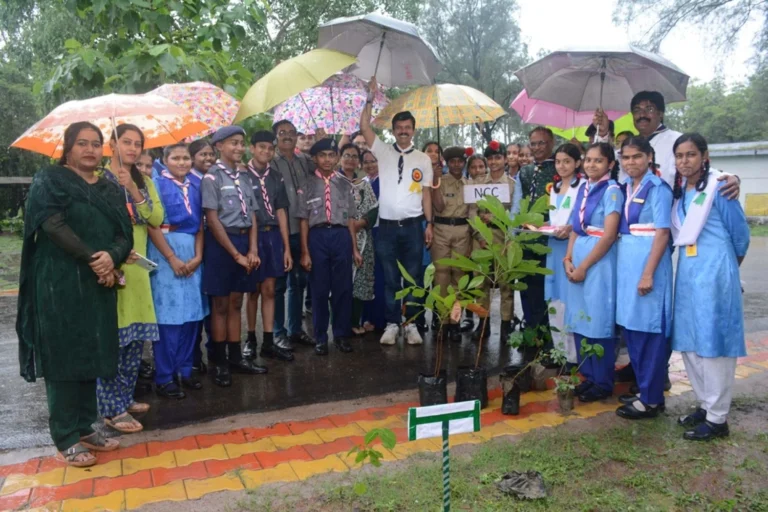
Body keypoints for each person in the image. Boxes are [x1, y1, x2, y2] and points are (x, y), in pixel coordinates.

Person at [17, 121, 132, 467]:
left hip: (99, 283)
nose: (90, 149)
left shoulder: (111, 189)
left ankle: (86, 426)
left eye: (96, 144)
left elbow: (124, 233)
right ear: (67, 148)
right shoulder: (49, 180)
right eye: (81, 143)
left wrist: (112, 256)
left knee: (91, 350)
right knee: (63, 355)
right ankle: (65, 435)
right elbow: (52, 224)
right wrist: (94, 259)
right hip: (59, 283)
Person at [671, 133, 750, 441]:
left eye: (690, 155)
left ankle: (718, 418)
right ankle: (705, 405)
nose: (684, 161)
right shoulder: (681, 193)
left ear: (705, 156)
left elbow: (740, 237)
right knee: (691, 341)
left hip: (716, 274)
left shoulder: (721, 188)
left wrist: (725, 271)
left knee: (714, 343)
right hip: (689, 276)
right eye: (679, 155)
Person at [97, 124, 163, 434]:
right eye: (126, 142)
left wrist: (134, 189)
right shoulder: (96, 181)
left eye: (138, 144)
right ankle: (111, 409)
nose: (133, 149)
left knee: (135, 340)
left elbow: (156, 218)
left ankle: (124, 397)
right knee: (114, 339)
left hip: (139, 268)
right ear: (112, 144)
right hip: (113, 266)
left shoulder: (145, 180)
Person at [359, 77, 434, 346]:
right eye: (399, 128)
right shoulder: (382, 151)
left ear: (413, 130)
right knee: (391, 278)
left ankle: (411, 324)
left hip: (414, 227)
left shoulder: (423, 159)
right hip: (387, 227)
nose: (403, 131)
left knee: (413, 277)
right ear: (393, 130)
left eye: (407, 128)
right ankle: (392, 324)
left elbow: (426, 193)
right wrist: (369, 98)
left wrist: (429, 224)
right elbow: (364, 126)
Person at [611, 136, 673, 420]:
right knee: (633, 330)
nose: (631, 162)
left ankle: (651, 399)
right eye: (626, 157)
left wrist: (648, 273)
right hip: (628, 264)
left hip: (648, 265)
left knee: (650, 333)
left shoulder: (658, 188)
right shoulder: (625, 186)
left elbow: (662, 232)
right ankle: (645, 390)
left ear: (649, 157)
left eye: (637, 156)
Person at [202, 126, 267, 387]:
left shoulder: (245, 177)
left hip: (243, 239)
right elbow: (212, 218)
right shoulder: (211, 177)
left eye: (241, 143)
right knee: (220, 305)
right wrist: (235, 254)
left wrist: (252, 250)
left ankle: (235, 357)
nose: (239, 148)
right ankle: (218, 362)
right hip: (222, 244)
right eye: (233, 143)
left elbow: (252, 214)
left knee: (236, 303)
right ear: (219, 146)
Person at [593, 92, 740, 198]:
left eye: (649, 109)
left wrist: (730, 176)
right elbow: (604, 161)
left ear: (661, 113)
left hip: (668, 216)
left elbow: (697, 168)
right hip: (629, 216)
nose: (642, 114)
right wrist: (603, 132)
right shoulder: (630, 146)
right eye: (637, 110)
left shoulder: (678, 141)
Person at [564, 143, 623, 402]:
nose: (591, 165)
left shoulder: (612, 192)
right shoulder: (585, 188)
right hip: (578, 256)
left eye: (598, 161)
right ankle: (587, 375)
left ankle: (602, 381)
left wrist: (584, 266)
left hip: (598, 261)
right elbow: (576, 227)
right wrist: (567, 257)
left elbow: (609, 235)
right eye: (588, 160)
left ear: (610, 164)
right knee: (580, 318)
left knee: (598, 319)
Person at [147, 144, 207, 399]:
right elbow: (152, 225)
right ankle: (164, 376)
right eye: (176, 158)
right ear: (165, 159)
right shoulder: (156, 185)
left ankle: (185, 370)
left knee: (192, 315)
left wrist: (198, 256)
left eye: (185, 158)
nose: (181, 162)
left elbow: (201, 226)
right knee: (169, 317)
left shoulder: (197, 185)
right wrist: (171, 258)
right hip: (165, 250)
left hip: (192, 249)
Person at [299, 138, 363, 355]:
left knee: (343, 288)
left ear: (337, 158)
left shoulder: (345, 184)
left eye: (331, 155)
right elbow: (303, 220)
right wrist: (305, 251)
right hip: (317, 237)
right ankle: (320, 337)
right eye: (322, 155)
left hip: (340, 235)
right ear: (315, 159)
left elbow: (351, 220)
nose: (327, 159)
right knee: (318, 289)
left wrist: (354, 249)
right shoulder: (307, 184)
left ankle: (341, 334)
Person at [244, 130, 294, 363]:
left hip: (272, 235)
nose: (266, 151)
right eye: (261, 147)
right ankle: (250, 338)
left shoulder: (276, 177)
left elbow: (281, 210)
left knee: (270, 290)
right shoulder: (241, 175)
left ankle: (268, 341)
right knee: (252, 291)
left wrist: (286, 247)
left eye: (270, 148)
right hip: (251, 238)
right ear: (252, 148)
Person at [270, 120, 316, 351]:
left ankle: (295, 329)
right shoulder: (270, 163)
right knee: (279, 285)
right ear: (276, 137)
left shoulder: (305, 162)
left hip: (302, 230)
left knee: (299, 283)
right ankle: (278, 333)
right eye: (282, 133)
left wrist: (322, 136)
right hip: (279, 233)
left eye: (291, 132)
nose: (287, 136)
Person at [470, 141, 518, 342]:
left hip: (503, 238)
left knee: (506, 283)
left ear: (505, 159)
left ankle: (506, 324)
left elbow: (515, 215)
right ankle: (483, 323)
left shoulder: (513, 185)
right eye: (490, 158)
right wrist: (479, 236)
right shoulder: (478, 183)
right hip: (481, 238)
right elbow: (472, 212)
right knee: (481, 282)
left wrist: (500, 223)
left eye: (498, 157)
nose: (494, 162)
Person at [518, 127, 558, 361]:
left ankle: (549, 340)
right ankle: (530, 334)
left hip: (549, 241)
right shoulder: (525, 171)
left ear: (551, 142)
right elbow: (518, 203)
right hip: (526, 240)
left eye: (542, 143)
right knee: (527, 290)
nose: (537, 148)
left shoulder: (559, 168)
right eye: (533, 143)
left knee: (547, 292)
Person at [336, 145, 379, 335]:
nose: (351, 159)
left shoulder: (364, 184)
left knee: (361, 281)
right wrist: (347, 226)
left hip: (363, 239)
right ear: (340, 158)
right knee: (341, 280)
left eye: (354, 156)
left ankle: (354, 321)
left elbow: (374, 209)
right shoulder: (333, 182)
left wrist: (360, 224)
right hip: (339, 237)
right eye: (347, 155)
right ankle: (340, 323)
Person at [545, 143, 581, 364]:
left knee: (571, 300)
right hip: (553, 247)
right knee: (554, 300)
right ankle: (561, 354)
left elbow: (583, 218)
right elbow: (553, 220)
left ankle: (575, 357)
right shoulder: (554, 189)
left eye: (567, 161)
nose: (562, 166)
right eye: (558, 161)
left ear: (577, 163)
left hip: (572, 248)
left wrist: (571, 228)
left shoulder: (584, 187)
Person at [431, 146, 471, 342]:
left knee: (459, 278)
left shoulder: (469, 185)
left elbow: (472, 212)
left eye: (460, 161)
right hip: (441, 230)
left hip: (463, 232)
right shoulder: (440, 181)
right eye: (452, 161)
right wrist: (436, 182)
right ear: (447, 163)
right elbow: (438, 206)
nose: (456, 164)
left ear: (464, 163)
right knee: (441, 277)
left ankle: (455, 322)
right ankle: (442, 321)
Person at [187, 138, 216, 374]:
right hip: (196, 246)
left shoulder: (215, 178)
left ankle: (215, 350)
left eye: (210, 154)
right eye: (202, 155)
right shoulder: (188, 181)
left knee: (213, 303)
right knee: (196, 303)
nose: (207, 159)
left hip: (215, 245)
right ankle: (194, 357)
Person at [460, 153, 488, 331]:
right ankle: (468, 316)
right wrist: (478, 235)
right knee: (467, 279)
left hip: (485, 238)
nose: (477, 170)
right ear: (468, 169)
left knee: (483, 280)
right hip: (467, 236)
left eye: (480, 166)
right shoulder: (465, 185)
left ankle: (484, 319)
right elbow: (470, 213)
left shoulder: (492, 185)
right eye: (473, 167)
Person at [360, 150, 387, 332]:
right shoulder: (362, 183)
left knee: (381, 276)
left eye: (374, 161)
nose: (370, 165)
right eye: (366, 162)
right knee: (366, 276)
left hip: (382, 231)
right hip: (364, 233)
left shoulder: (386, 181)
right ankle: (366, 317)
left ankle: (382, 319)